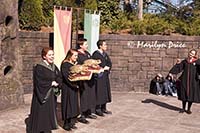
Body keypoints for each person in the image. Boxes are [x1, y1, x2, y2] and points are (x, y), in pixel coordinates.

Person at [29, 47, 62, 133]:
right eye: (49, 55)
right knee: (41, 113)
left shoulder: (54, 66)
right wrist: (51, 83)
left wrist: (58, 83)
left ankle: (47, 129)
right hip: (43, 94)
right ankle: (40, 130)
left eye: (53, 54)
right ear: (44, 57)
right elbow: (38, 81)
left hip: (51, 94)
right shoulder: (39, 67)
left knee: (49, 113)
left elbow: (58, 76)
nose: (52, 57)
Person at [169, 49, 200, 114]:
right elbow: (179, 68)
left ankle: (188, 109)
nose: (191, 54)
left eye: (193, 53)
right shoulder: (185, 61)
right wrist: (172, 71)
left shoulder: (197, 62)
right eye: (190, 53)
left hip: (193, 81)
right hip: (184, 80)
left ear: (195, 55)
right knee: (184, 94)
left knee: (191, 95)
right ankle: (183, 108)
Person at [76, 38, 97, 124]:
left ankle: (88, 111)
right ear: (81, 45)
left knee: (90, 95)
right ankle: (82, 115)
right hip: (83, 79)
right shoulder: (77, 54)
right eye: (85, 44)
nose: (87, 45)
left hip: (90, 78)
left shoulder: (87, 53)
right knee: (83, 96)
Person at [60, 49, 80, 131]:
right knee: (68, 105)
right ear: (70, 56)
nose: (76, 57)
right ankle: (66, 124)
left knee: (73, 104)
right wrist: (74, 85)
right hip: (68, 87)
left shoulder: (74, 64)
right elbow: (66, 77)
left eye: (77, 56)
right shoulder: (65, 64)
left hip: (74, 87)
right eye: (75, 55)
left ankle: (71, 122)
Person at [92, 40, 112, 116]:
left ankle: (104, 107)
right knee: (99, 92)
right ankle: (98, 109)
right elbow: (95, 64)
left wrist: (108, 68)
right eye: (104, 45)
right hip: (99, 76)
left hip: (105, 75)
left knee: (105, 92)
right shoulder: (96, 54)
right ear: (100, 46)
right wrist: (103, 68)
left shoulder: (105, 54)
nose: (106, 46)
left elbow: (109, 62)